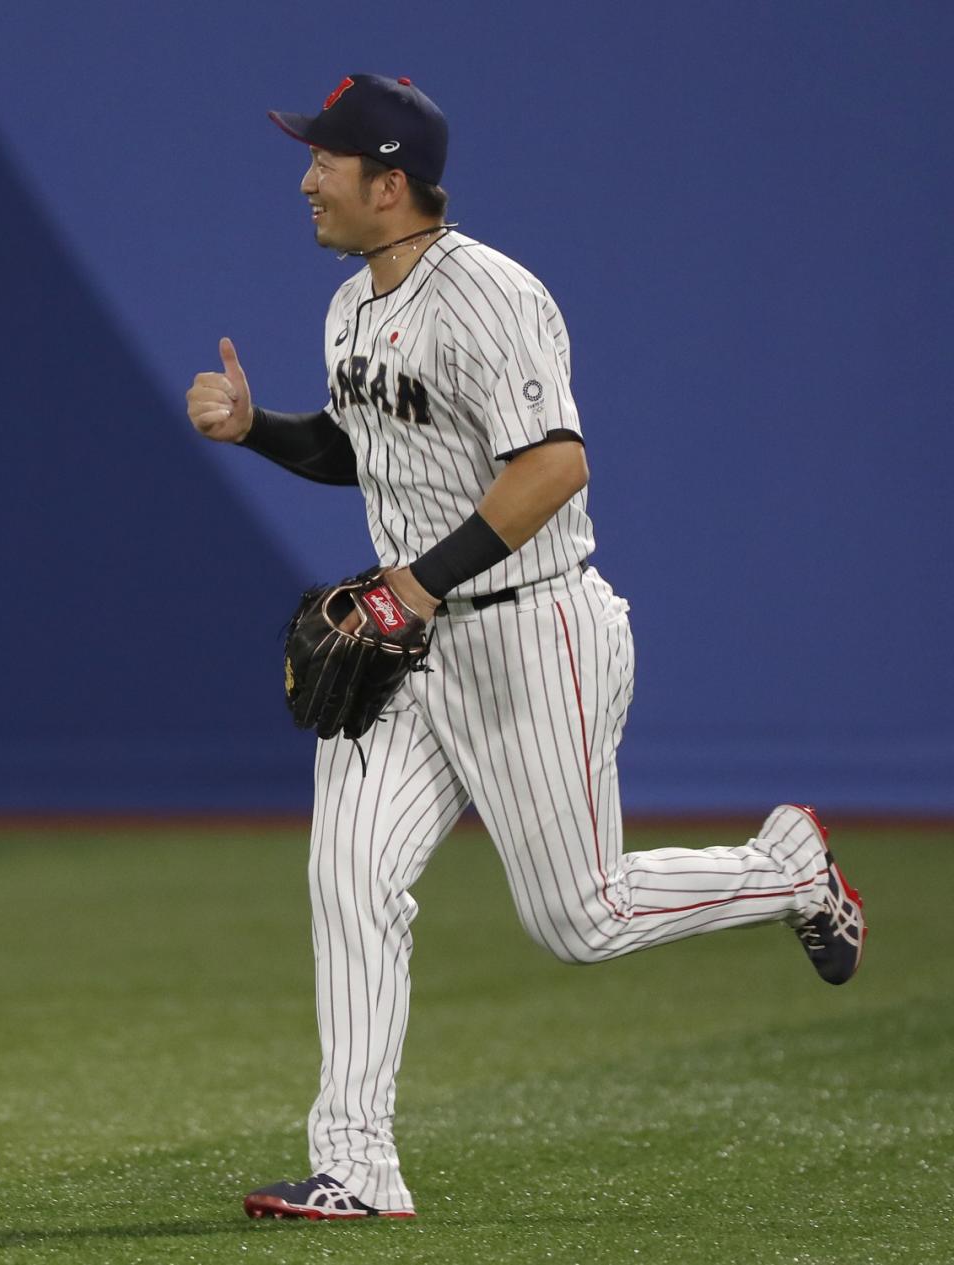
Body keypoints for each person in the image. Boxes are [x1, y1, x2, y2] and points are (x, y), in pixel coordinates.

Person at [185, 73, 866, 1224]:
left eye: (326, 161)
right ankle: (357, 1165)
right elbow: (372, 448)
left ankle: (791, 866)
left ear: (388, 182)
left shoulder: (493, 296)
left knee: (579, 918)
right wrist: (258, 429)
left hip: (528, 631)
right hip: (410, 648)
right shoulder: (353, 303)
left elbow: (554, 466)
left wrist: (417, 580)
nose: (306, 179)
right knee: (348, 880)